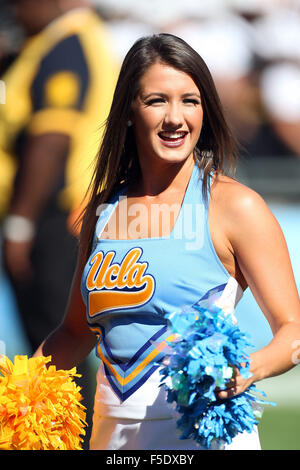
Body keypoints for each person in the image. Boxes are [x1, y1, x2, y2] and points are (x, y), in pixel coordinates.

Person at [34, 33, 300, 450]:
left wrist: (245, 369)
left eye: (190, 101)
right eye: (157, 100)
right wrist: (20, 392)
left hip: (201, 433)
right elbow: (73, 333)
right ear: (128, 111)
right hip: (111, 434)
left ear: (205, 111)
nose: (175, 118)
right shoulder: (103, 210)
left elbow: (293, 328)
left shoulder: (235, 206)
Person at [0, 0, 118, 448]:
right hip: (48, 216)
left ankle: (72, 439)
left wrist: (20, 223)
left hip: (54, 217)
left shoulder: (66, 44)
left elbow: (52, 138)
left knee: (60, 345)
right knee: (56, 340)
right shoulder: (47, 43)